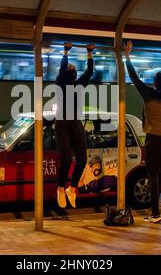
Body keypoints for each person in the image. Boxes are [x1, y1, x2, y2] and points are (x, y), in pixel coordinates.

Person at [124, 40, 161, 223]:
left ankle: (155, 214)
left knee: (153, 177)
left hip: (152, 141)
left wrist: (127, 56)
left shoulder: (148, 95)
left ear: (155, 83)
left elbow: (134, 77)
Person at [55, 42, 95, 208]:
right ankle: (60, 188)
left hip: (75, 123)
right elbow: (63, 69)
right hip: (62, 123)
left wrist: (90, 53)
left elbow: (89, 71)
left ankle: (72, 188)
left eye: (72, 70)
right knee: (65, 160)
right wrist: (65, 52)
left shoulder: (78, 85)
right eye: (69, 69)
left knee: (82, 159)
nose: (71, 71)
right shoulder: (60, 83)